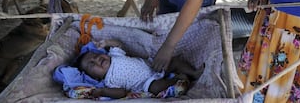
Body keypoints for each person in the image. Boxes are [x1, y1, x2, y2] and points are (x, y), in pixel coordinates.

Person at [74, 40, 203, 99]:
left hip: (154, 66)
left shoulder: (114, 55)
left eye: (96, 56)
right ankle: (177, 79)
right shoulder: (109, 81)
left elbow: (119, 44)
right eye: (92, 65)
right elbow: (121, 92)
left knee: (173, 60)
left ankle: (193, 73)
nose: (97, 60)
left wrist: (106, 43)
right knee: (156, 88)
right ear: (95, 77)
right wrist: (103, 91)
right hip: (146, 83)